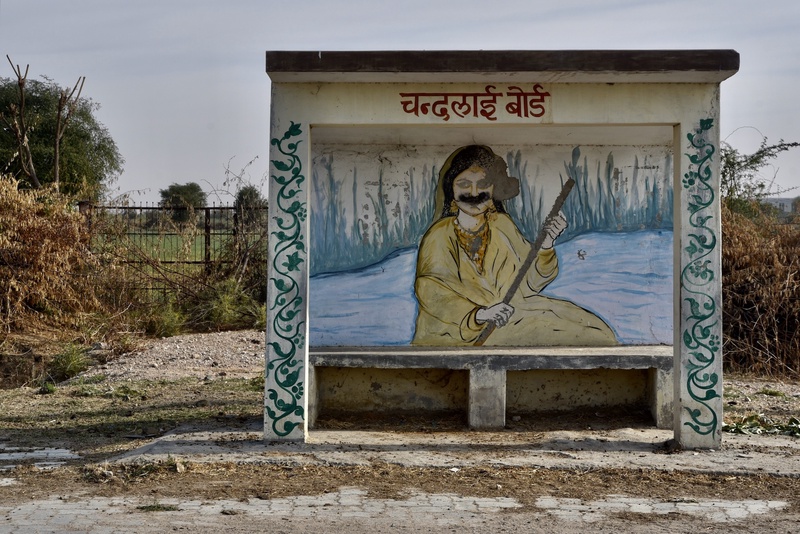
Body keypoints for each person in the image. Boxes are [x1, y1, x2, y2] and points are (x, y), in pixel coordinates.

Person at [412, 145, 617, 347]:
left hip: (509, 316)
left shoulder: (501, 225)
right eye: (464, 184)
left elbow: (528, 284)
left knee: (594, 329)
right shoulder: (439, 235)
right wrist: (481, 314)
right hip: (461, 333)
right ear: (451, 189)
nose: (474, 193)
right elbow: (432, 293)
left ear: (494, 188)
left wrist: (546, 246)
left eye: (483, 184)